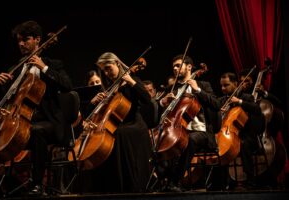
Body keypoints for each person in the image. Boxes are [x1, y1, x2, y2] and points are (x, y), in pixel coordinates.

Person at [0, 20, 73, 195]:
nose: (21, 44)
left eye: (25, 39)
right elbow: (7, 98)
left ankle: (37, 184)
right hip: (19, 121)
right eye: (19, 40)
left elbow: (67, 86)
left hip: (49, 123)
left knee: (36, 131)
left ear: (37, 40)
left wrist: (43, 67)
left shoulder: (53, 64)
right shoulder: (18, 68)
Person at [84, 52, 152, 193]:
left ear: (118, 64)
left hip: (134, 125)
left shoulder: (133, 80)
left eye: (109, 68)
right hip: (118, 124)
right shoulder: (110, 87)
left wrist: (131, 81)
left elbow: (147, 99)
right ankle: (105, 187)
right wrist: (93, 103)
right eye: (104, 70)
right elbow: (96, 113)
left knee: (119, 134)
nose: (107, 72)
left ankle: (128, 186)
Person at [156, 54, 221, 192]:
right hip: (178, 128)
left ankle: (175, 181)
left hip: (201, 132)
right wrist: (163, 103)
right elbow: (162, 110)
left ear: (189, 67)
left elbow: (216, 104)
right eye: (173, 66)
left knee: (188, 140)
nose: (175, 68)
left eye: (178, 65)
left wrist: (198, 90)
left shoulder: (203, 85)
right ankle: (163, 180)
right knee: (158, 141)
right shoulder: (172, 88)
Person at [212, 72, 264, 189]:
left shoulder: (246, 97)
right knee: (216, 145)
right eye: (221, 86)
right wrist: (218, 113)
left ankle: (250, 180)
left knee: (243, 144)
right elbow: (215, 121)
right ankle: (221, 182)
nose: (223, 88)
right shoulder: (221, 101)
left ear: (235, 84)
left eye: (226, 85)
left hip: (247, 135)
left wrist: (240, 102)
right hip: (227, 134)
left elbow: (257, 110)